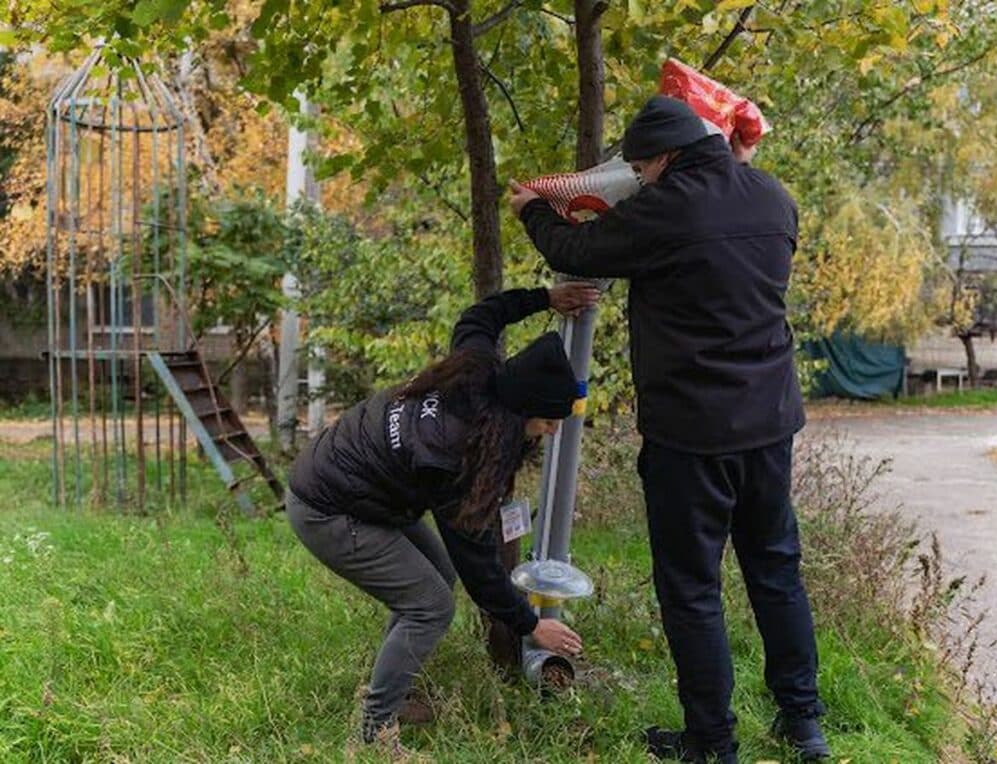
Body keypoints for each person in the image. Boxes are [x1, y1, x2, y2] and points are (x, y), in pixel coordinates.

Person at [508, 95, 830, 763]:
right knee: (776, 570)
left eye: (640, 168)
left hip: (691, 434)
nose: (639, 178)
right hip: (770, 423)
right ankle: (804, 724)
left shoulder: (665, 208)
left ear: (663, 159)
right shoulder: (773, 197)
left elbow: (575, 248)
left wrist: (531, 209)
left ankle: (712, 742)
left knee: (692, 589)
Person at [286, 282, 598, 755]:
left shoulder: (479, 367)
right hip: (327, 509)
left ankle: (389, 689)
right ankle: (374, 733)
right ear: (520, 411)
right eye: (548, 421)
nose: (553, 431)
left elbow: (480, 317)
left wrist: (545, 298)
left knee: (436, 576)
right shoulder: (455, 455)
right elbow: (479, 566)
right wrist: (531, 625)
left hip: (358, 486)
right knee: (431, 605)